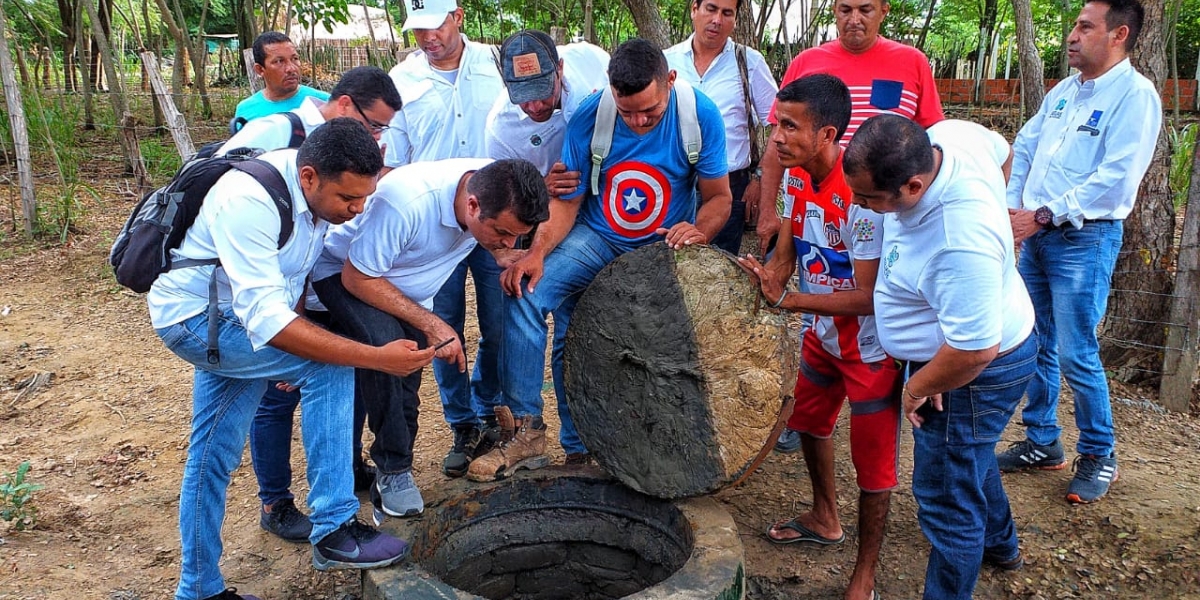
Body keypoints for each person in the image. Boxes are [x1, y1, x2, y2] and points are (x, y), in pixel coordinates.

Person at [147, 119, 425, 600]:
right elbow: (267, 322)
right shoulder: (248, 200)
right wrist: (376, 358)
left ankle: (199, 591)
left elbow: (288, 279)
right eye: (348, 200)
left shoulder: (315, 199)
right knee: (333, 365)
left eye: (364, 198)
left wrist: (292, 349)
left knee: (212, 455)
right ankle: (335, 526)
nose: (357, 210)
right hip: (196, 322)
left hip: (233, 320)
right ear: (310, 176)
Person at [469, 38, 732, 482]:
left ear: (669, 81)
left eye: (648, 110)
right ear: (610, 91)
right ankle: (531, 431)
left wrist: (700, 230)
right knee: (524, 290)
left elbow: (719, 198)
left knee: (650, 346)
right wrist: (536, 253)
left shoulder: (699, 115)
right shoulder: (593, 115)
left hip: (662, 247)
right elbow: (568, 201)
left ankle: (647, 444)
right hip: (597, 237)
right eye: (627, 110)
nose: (638, 120)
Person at [843, 114, 1035, 600]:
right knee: (967, 454)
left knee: (945, 497)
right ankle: (1001, 544)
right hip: (966, 346)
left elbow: (974, 350)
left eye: (868, 199)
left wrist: (918, 387)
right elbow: (1004, 151)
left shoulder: (957, 240)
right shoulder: (950, 137)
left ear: (912, 185)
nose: (857, 205)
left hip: (970, 372)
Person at [216, 66, 403, 543]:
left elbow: (305, 249)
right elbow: (228, 197)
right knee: (276, 395)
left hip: (311, 283)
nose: (378, 137)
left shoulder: (341, 172)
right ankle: (275, 501)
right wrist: (283, 319)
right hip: (247, 295)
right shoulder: (281, 131)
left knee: (336, 376)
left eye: (384, 130)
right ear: (345, 106)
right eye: (374, 124)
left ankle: (343, 473)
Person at [310, 158, 550, 522]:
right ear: (472, 206)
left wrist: (500, 249)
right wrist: (434, 324)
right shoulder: (405, 203)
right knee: (391, 356)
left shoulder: (495, 182)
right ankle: (393, 471)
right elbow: (356, 278)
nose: (509, 241)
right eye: (502, 232)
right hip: (346, 277)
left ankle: (388, 464)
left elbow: (497, 228)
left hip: (400, 286)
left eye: (514, 235)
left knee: (411, 368)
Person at [740, 75, 897, 600]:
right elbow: (785, 258)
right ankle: (826, 516)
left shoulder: (862, 196)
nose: (776, 138)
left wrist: (794, 302)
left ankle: (864, 576)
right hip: (822, 336)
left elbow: (871, 296)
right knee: (809, 422)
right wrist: (765, 279)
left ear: (828, 133)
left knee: (872, 461)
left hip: (870, 348)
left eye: (790, 126)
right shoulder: (794, 178)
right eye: (775, 124)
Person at [763, 0, 943, 453]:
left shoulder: (911, 62)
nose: (854, 18)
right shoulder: (808, 64)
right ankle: (821, 495)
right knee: (815, 404)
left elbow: (935, 143)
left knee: (875, 428)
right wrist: (773, 215)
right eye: (844, 7)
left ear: (884, 9)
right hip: (819, 203)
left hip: (881, 213)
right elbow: (779, 142)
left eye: (865, 7)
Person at [999, 0, 1160, 505]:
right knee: (1035, 342)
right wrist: (1013, 211)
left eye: (1084, 26)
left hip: (1083, 240)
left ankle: (1099, 453)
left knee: (1076, 351)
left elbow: (1115, 178)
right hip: (1038, 236)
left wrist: (1041, 214)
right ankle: (1042, 442)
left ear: (1119, 35)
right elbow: (1024, 146)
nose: (1071, 35)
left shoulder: (1135, 96)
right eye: (1074, 25)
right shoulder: (1065, 92)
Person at [385, 0, 511, 479]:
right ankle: (462, 423)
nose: (427, 37)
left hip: (494, 219)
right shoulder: (402, 81)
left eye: (434, 25)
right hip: (435, 224)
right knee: (443, 325)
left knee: (500, 321)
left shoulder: (496, 64)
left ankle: (490, 406)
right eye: (417, 30)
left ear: (457, 16)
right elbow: (394, 159)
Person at [481, 29, 609, 464]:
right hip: (545, 224)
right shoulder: (500, 126)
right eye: (523, 96)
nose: (535, 106)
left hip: (606, 214)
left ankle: (580, 445)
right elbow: (506, 198)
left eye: (542, 92)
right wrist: (540, 185)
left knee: (576, 332)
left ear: (561, 69)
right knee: (524, 291)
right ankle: (527, 429)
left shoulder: (592, 61)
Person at [666, 0, 778, 255]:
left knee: (718, 269)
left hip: (730, 186)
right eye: (711, 9)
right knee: (669, 259)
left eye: (727, 13)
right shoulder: (666, 61)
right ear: (694, 9)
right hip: (672, 185)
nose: (717, 19)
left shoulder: (749, 62)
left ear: (735, 19)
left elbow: (779, 125)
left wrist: (759, 179)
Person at [233, 32, 330, 125]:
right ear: (260, 70)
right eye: (279, 61)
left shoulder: (324, 102)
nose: (291, 69)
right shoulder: (246, 110)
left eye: (295, 59)